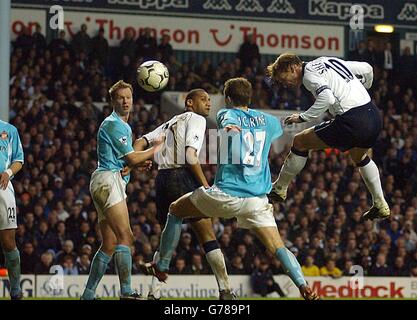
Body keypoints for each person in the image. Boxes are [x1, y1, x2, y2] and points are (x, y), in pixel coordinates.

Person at [139, 77, 319, 300]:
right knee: (278, 247)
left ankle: (162, 266)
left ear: (227, 98)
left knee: (175, 209)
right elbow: (278, 129)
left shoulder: (226, 114)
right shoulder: (269, 121)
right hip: (257, 200)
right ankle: (303, 285)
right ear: (250, 97)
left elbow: (228, 123)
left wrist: (231, 129)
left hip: (227, 193)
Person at [127, 89, 234, 300]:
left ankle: (154, 293)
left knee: (166, 236)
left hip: (162, 180)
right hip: (181, 177)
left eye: (209, 100)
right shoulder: (196, 119)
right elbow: (190, 156)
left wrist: (137, 160)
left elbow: (139, 142)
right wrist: (206, 187)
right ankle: (225, 290)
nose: (208, 103)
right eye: (203, 99)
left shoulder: (171, 122)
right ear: (190, 103)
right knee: (206, 233)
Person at [267, 53, 389, 221]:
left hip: (352, 120)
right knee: (358, 156)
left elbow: (327, 97)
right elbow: (367, 68)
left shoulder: (308, 74)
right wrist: (365, 86)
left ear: (293, 67)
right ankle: (380, 203)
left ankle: (279, 189)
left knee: (300, 142)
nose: (286, 84)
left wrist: (303, 117)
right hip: (374, 116)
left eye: (284, 78)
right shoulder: (328, 60)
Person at [80, 80, 163, 300]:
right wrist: (156, 148)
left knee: (109, 244)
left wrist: (136, 164)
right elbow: (132, 157)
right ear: (112, 101)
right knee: (126, 236)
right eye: (120, 98)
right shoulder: (114, 124)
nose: (125, 101)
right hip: (108, 181)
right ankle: (126, 291)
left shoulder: (119, 125)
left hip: (104, 180)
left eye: (128, 97)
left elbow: (127, 163)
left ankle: (88, 294)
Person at [0, 119, 24, 299]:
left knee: (9, 241)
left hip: (2, 187)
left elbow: (18, 160)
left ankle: (15, 291)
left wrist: (7, 173)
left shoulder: (9, 130)